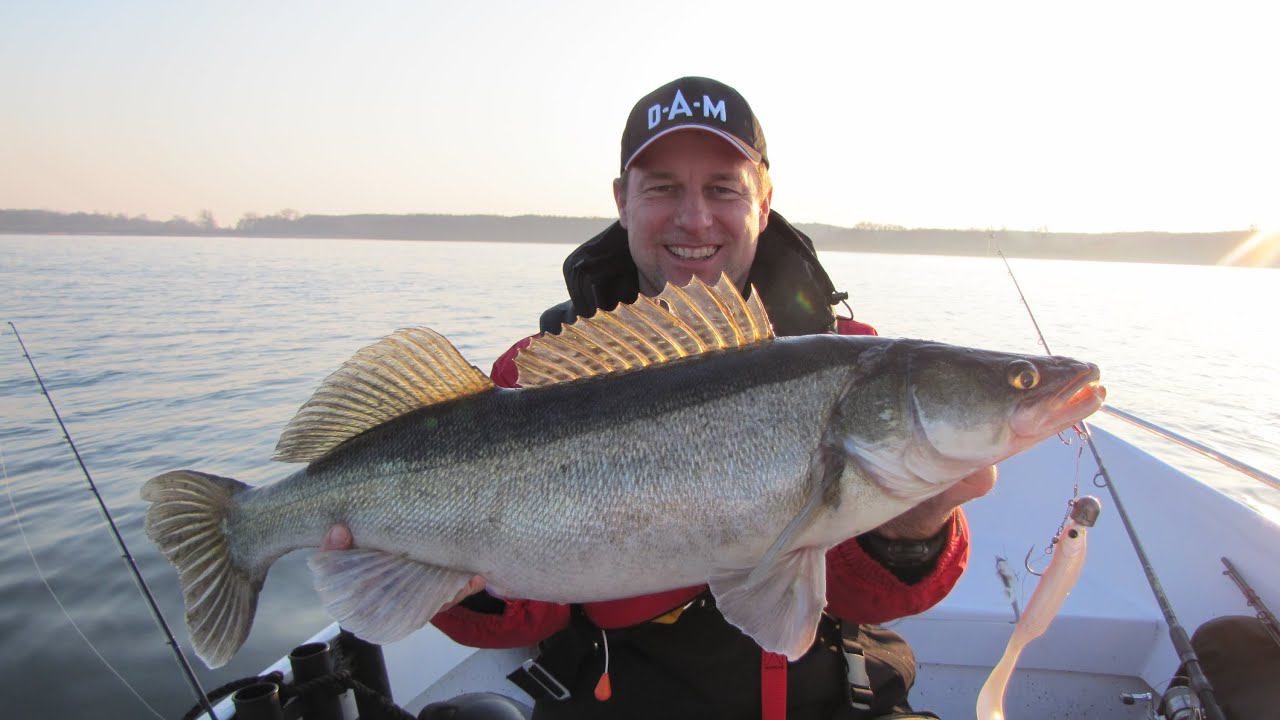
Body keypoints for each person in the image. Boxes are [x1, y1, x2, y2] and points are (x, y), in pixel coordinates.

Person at [323, 76, 996, 719]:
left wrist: (913, 532)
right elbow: (524, 619)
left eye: (723, 188)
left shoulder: (850, 354)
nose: (694, 217)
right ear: (623, 200)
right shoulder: (532, 375)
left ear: (763, 200)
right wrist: (443, 572)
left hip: (831, 699)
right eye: (664, 187)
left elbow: (880, 592)